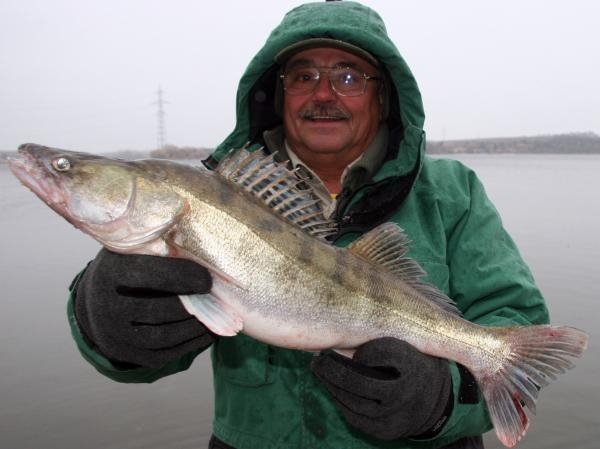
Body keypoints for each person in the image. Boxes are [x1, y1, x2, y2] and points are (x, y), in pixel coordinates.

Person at [67, 1, 550, 448]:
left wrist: (443, 400)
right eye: (303, 76)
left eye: (348, 77)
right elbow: (135, 362)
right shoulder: (214, 195)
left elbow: (516, 319)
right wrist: (101, 322)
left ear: (383, 96)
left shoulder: (451, 192)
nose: (323, 94)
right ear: (277, 95)